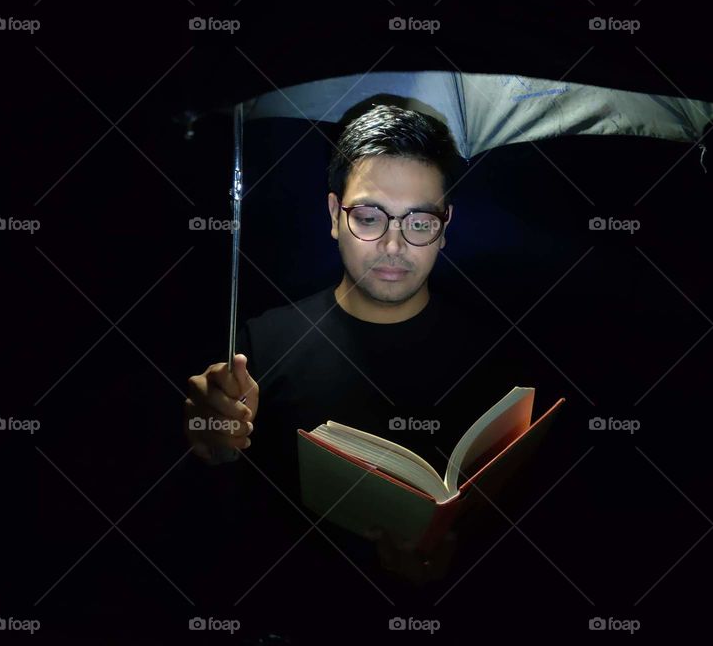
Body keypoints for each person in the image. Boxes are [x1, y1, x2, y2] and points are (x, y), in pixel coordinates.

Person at [182, 104, 536, 601]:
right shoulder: (256, 348)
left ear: (445, 224)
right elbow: (207, 536)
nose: (393, 246)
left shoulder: (496, 358)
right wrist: (211, 445)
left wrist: (453, 568)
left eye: (418, 222)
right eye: (369, 217)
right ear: (333, 216)